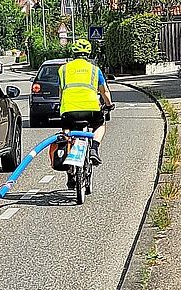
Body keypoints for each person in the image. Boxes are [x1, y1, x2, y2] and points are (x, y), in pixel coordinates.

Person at [58, 39, 114, 187]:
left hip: (69, 110)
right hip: (91, 109)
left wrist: (61, 107)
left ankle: (70, 170)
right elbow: (104, 91)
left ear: (73, 54)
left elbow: (61, 92)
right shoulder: (95, 70)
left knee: (67, 132)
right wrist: (109, 105)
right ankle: (94, 149)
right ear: (89, 54)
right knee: (100, 124)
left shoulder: (63, 69)